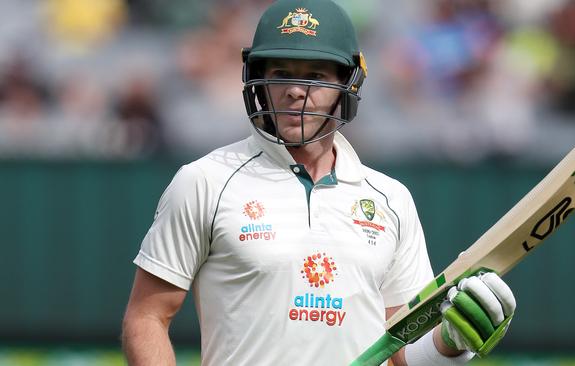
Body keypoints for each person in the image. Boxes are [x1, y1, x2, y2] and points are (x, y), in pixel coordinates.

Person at [121, 0, 516, 365]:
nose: (295, 90)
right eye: (280, 73)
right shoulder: (205, 181)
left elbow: (404, 352)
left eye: (315, 75)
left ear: (348, 82)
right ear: (258, 80)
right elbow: (147, 317)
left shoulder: (391, 200)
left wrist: (451, 341)